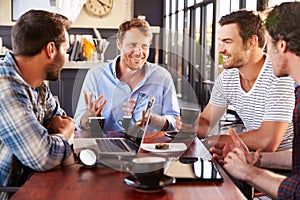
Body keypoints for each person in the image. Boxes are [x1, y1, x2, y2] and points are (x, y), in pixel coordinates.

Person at [211, 3, 300, 198]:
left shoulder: (282, 82)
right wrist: (255, 160)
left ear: (281, 45)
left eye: (267, 43)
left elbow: (297, 190)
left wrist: (249, 171)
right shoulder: (298, 91)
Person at [177, 10, 295, 152]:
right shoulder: (227, 78)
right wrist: (191, 126)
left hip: (287, 163)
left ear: (252, 42)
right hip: (251, 157)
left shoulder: (279, 76)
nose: (220, 50)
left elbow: (267, 141)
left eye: (228, 42)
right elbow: (206, 123)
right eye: (221, 42)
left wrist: (215, 140)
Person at [0, 10, 75, 199]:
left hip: (31, 184)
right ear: (51, 50)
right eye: (66, 50)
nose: (66, 58)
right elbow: (42, 157)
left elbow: (63, 120)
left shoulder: (38, 85)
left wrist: (60, 133)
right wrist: (64, 135)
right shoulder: (5, 87)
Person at [74, 18, 179, 132]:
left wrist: (153, 119)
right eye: (132, 45)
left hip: (148, 147)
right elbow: (80, 122)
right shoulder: (95, 75)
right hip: (106, 146)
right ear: (119, 44)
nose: (138, 52)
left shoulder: (162, 76)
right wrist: (89, 118)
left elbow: (174, 121)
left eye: (144, 46)